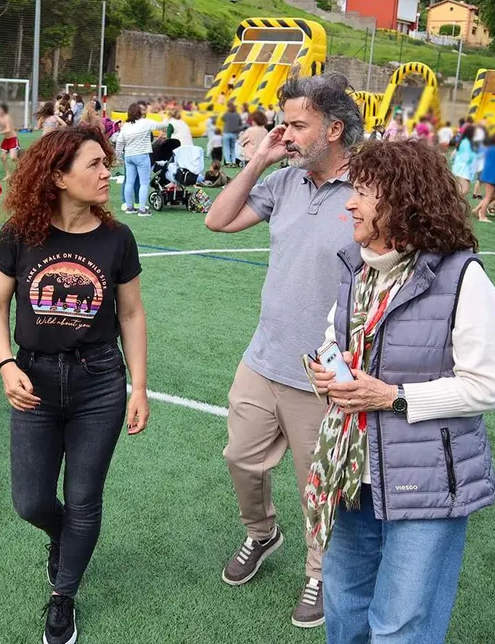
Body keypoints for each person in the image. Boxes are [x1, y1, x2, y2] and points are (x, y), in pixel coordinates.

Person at [307, 140, 495, 644]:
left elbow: (485, 387)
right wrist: (326, 376)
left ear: (403, 200)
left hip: (429, 481)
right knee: (344, 607)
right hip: (353, 473)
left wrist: (393, 397)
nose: (350, 202)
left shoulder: (463, 277)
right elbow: (335, 341)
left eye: (364, 192)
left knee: (400, 627)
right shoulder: (359, 268)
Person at [204, 72, 363, 629]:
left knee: (316, 485)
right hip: (264, 355)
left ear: (334, 128)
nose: (286, 133)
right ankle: (261, 534)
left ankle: (320, 572)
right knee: (240, 458)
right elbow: (217, 219)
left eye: (298, 125)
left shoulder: (370, 188)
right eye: (284, 123)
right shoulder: (286, 180)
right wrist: (259, 161)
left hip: (325, 372)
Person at [0, 125, 149, 644]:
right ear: (58, 176)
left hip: (99, 381)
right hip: (32, 377)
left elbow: (131, 313)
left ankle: (63, 595)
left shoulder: (117, 238)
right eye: (95, 165)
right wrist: (6, 364)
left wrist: (138, 386)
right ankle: (65, 537)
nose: (108, 173)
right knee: (31, 501)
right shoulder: (20, 234)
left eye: (108, 163)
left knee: (83, 498)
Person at [113, 103, 163, 217]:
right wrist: (166, 118)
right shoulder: (145, 123)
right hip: (142, 155)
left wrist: (119, 157)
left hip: (129, 156)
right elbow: (161, 125)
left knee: (129, 182)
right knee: (144, 183)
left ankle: (129, 207)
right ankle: (141, 209)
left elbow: (120, 142)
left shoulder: (125, 126)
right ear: (139, 112)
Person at [473, 133, 495, 223]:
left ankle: (478, 210)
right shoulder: (493, 150)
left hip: (493, 176)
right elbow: (492, 164)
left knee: (492, 195)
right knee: (488, 196)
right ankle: (482, 216)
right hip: (491, 176)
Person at [0, 103, 19, 180]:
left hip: (13, 139)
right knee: (2, 157)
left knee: (13, 157)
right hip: (6, 140)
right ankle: (8, 174)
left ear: (3, 110)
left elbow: (8, 130)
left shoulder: (7, 117)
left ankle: (22, 167)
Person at [450, 125, 477, 196]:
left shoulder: (465, 141)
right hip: (464, 168)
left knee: (461, 189)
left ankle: (455, 204)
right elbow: (468, 156)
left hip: (463, 167)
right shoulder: (466, 142)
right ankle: (453, 203)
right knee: (465, 189)